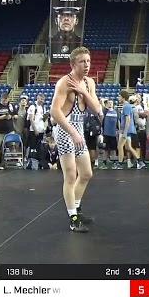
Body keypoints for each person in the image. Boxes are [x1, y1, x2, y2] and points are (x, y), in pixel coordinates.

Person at [50, 47, 103, 233]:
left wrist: (84, 91)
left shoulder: (89, 83)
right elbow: (55, 112)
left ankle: (77, 210)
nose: (87, 65)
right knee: (71, 175)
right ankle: (73, 219)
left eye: (88, 61)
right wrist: (72, 132)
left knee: (87, 173)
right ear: (73, 64)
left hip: (78, 130)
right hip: (65, 130)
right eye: (82, 62)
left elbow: (97, 109)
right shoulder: (64, 83)